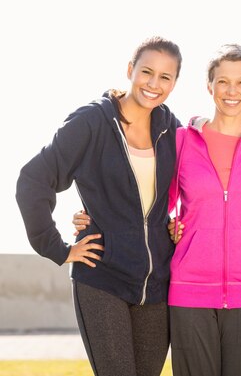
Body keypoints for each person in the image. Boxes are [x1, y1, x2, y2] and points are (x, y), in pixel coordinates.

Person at [15, 36, 183, 376]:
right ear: (129, 70)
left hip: (157, 284)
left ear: (175, 82)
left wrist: (176, 224)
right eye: (146, 72)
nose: (154, 84)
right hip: (103, 277)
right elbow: (33, 180)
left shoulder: (171, 128)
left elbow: (199, 183)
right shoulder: (93, 121)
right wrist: (59, 248)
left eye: (165, 77)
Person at [165, 44, 241, 376]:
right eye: (223, 82)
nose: (231, 92)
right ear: (209, 86)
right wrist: (170, 226)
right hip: (189, 292)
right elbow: (156, 204)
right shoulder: (181, 141)